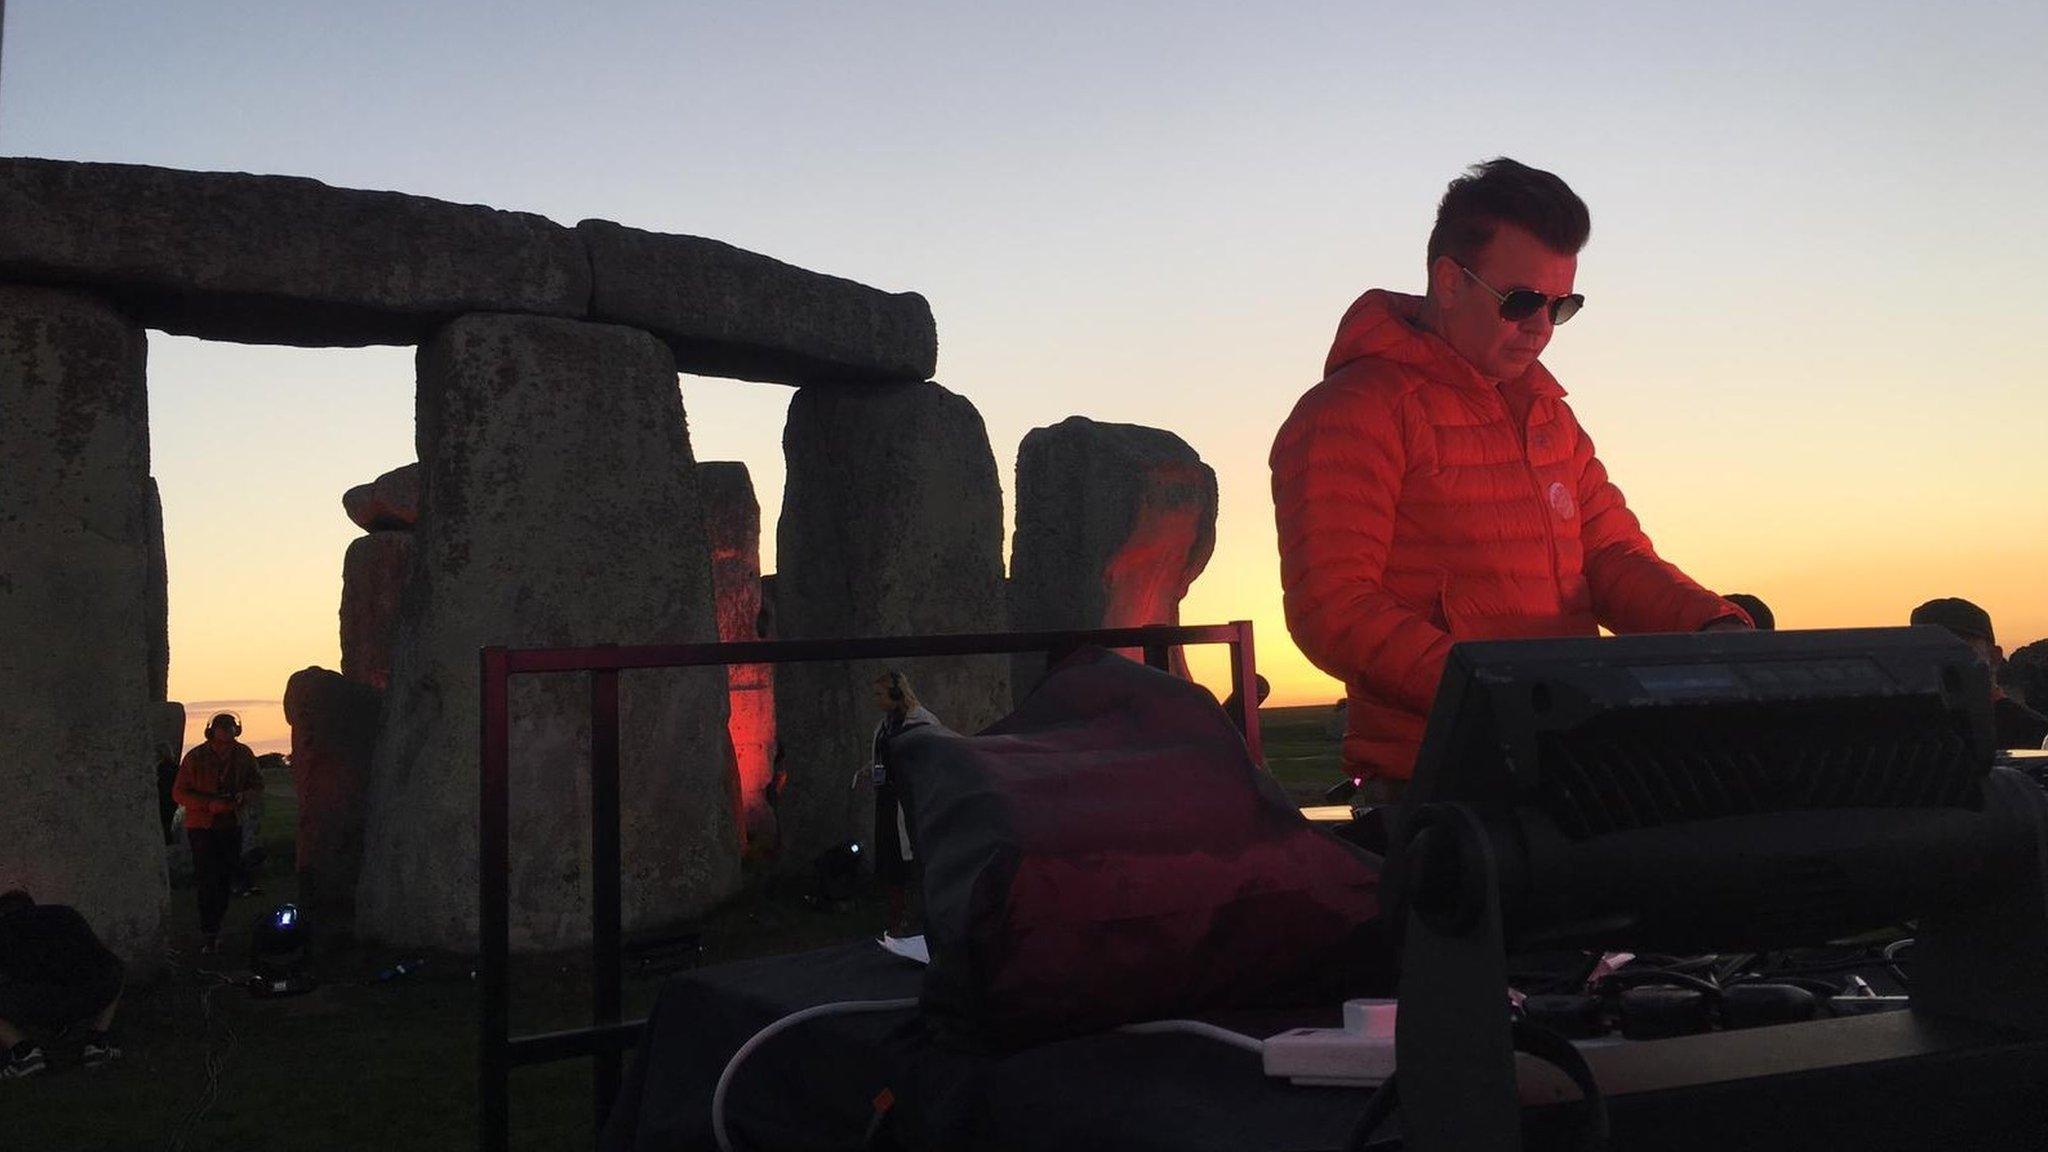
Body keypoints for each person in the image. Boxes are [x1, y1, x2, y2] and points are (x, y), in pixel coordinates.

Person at [1271, 158, 1749, 801]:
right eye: (1522, 301)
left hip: (1568, 764)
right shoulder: (1353, 412)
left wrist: (1712, 631)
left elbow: (1610, 556)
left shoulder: (1548, 416)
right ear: (1449, 281)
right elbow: (1332, 608)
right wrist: (1492, 690)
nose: (1542, 327)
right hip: (1439, 787)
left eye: (1563, 305)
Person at [0, 890, 123, 1077]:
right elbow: (100, 956)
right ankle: (97, 1040)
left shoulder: (5, 927)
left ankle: (23, 1051)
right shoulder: (64, 914)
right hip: (89, 995)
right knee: (114, 966)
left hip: (36, 1001)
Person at [854, 671, 940, 936]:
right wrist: (868, 771)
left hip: (910, 802)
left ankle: (916, 921)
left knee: (913, 861)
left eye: (881, 694)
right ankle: (898, 918)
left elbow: (936, 756)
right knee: (891, 860)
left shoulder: (922, 721)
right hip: (888, 801)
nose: (877, 700)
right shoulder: (885, 725)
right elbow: (884, 756)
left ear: (896, 693)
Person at [172, 712, 264, 954]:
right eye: (223, 728)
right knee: (207, 878)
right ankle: (209, 930)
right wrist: (208, 804)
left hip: (231, 823)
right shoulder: (195, 757)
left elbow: (257, 784)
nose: (227, 732)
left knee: (223, 879)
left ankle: (216, 926)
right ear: (212, 731)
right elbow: (179, 793)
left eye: (230, 727)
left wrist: (244, 797)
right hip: (202, 826)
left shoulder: (243, 754)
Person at [1909, 598, 2048, 750]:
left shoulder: (2038, 735)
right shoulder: (1902, 734)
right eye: (1930, 650)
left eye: (1959, 649)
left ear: (1994, 657)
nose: (1945, 660)